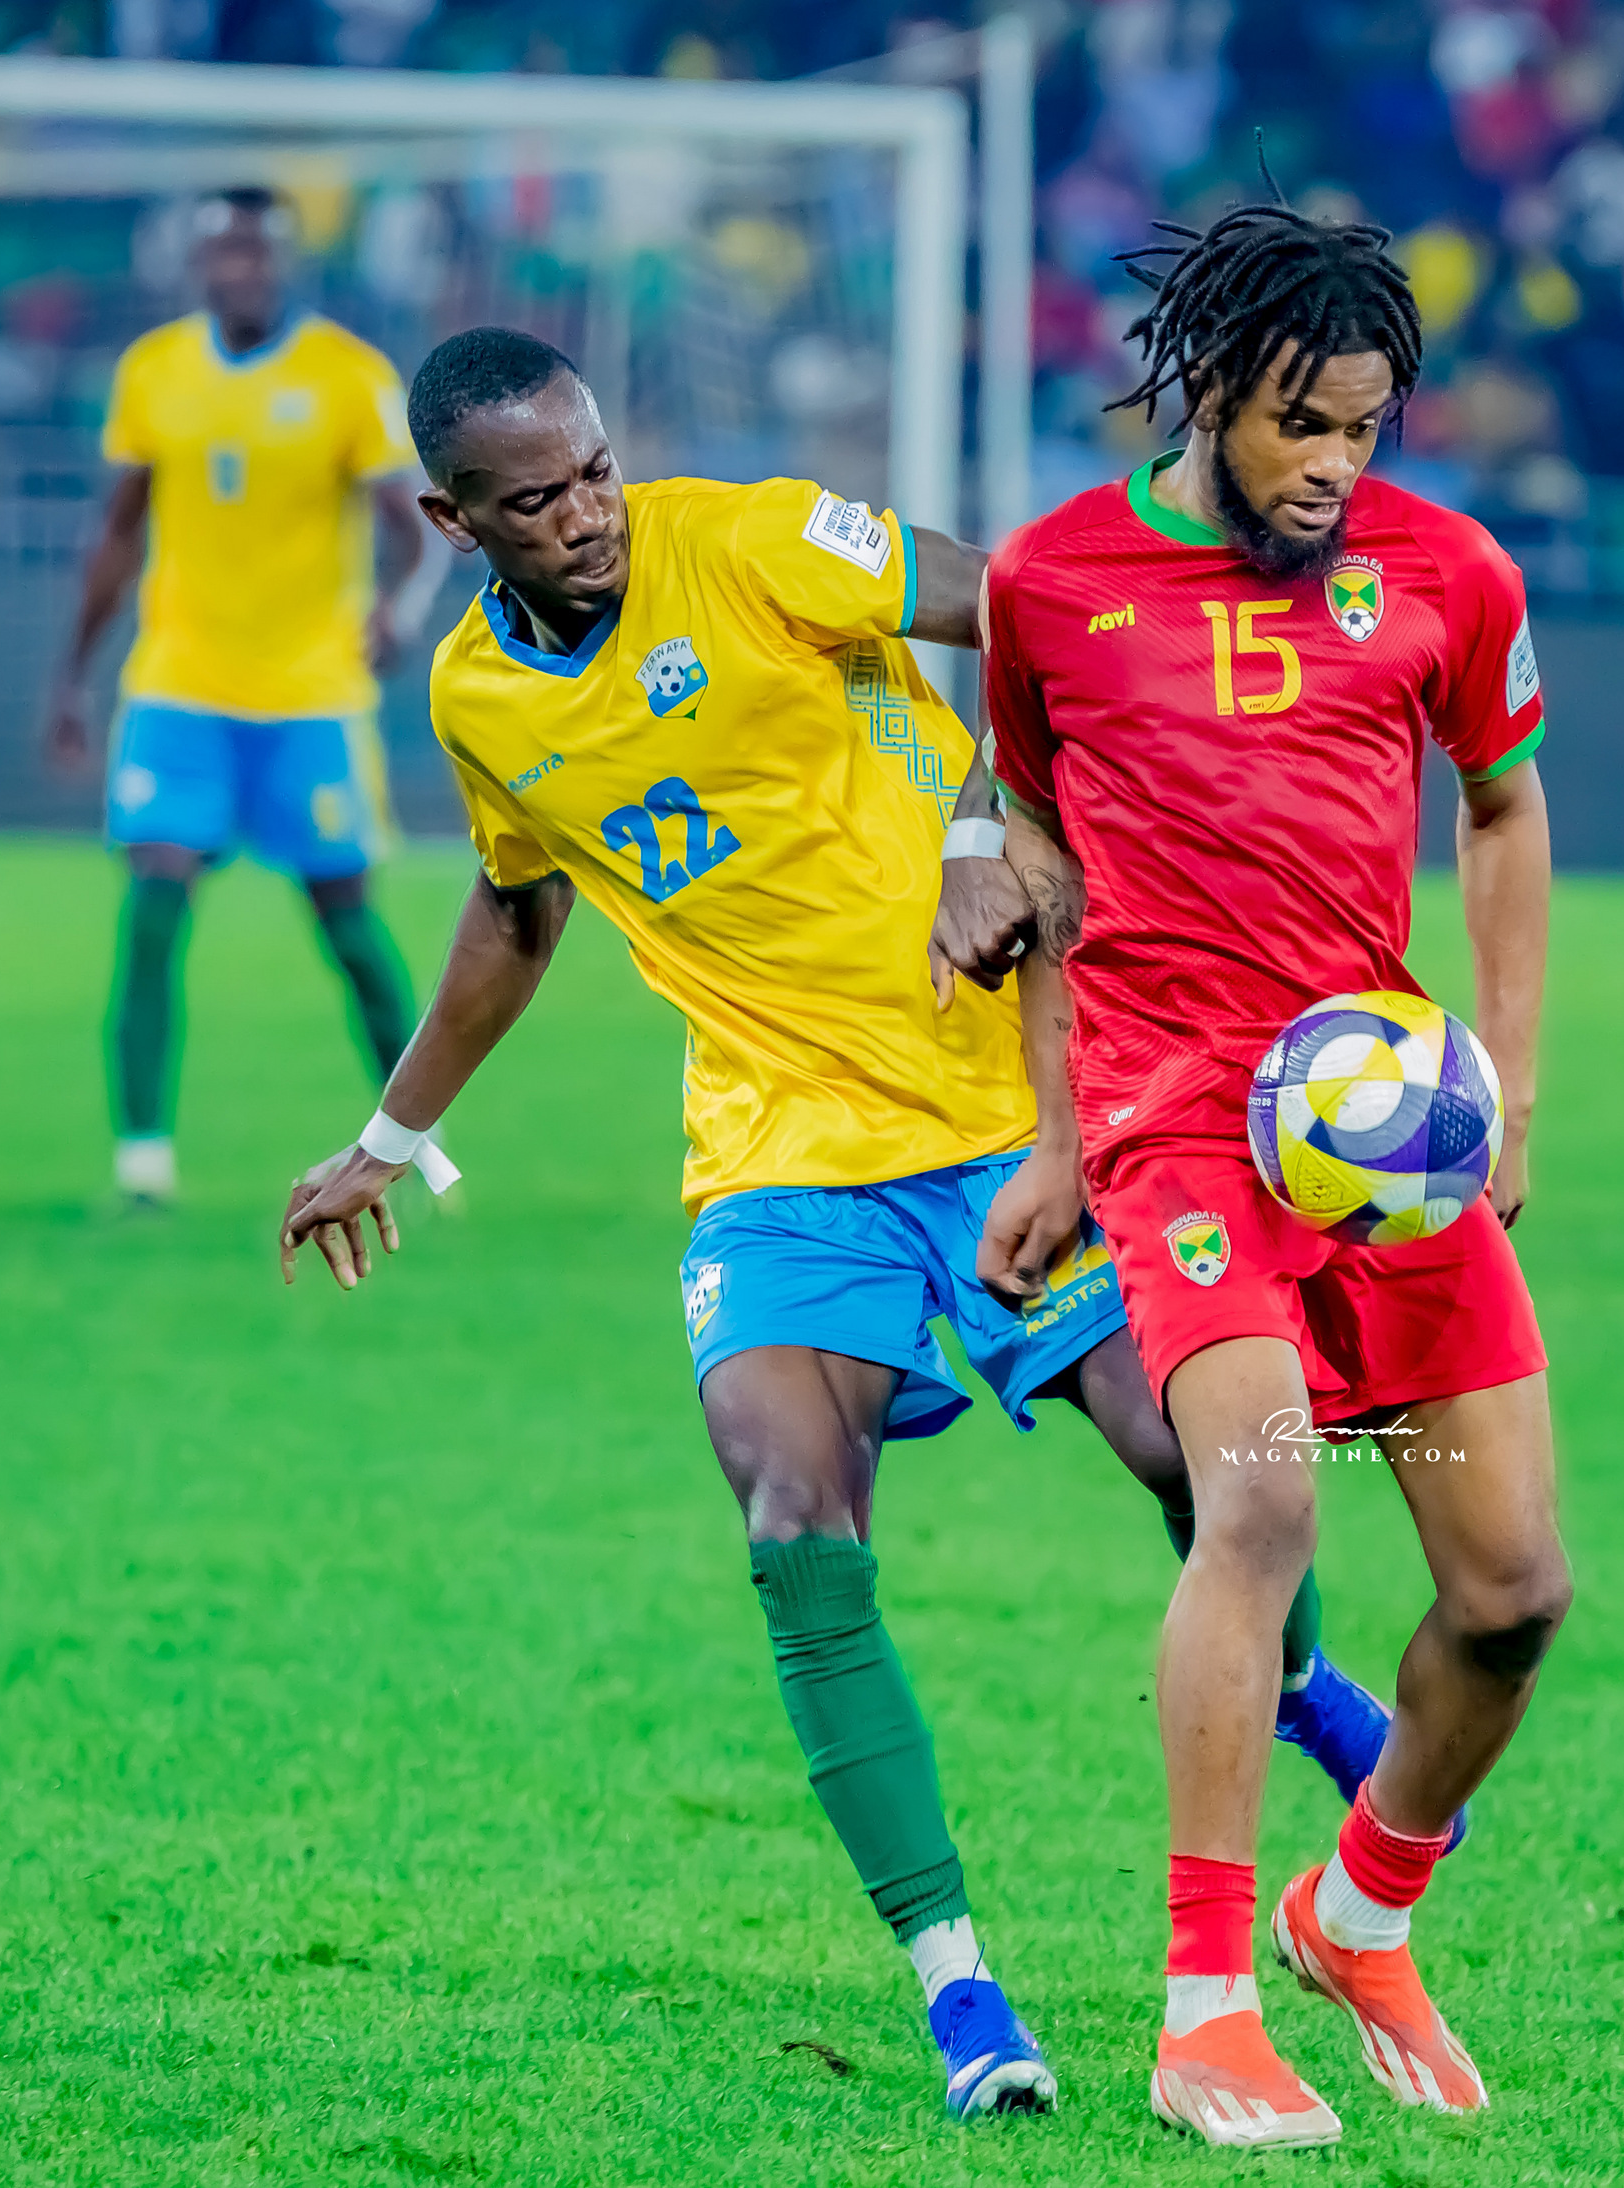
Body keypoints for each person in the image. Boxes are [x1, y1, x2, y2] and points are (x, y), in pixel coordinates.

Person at [271, 327, 1399, 2123]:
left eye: (594, 470)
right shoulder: (479, 696)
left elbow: (1039, 612)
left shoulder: (756, 537)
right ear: (451, 519)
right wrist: (391, 1137)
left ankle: (1303, 1679)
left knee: (1192, 1450)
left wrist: (977, 832)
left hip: (1012, 1100)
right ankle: (963, 1991)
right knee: (796, 1515)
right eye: (535, 500)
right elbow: (518, 911)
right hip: (779, 1149)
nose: (586, 515)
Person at [955, 199, 1572, 2150]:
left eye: (1366, 429)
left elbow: (1502, 804)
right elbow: (1041, 854)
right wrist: (1060, 1133)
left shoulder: (1446, 572)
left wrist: (1512, 1086)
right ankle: (1204, 2010)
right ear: (1209, 389)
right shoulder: (1051, 582)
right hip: (1180, 1119)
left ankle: (1358, 1910)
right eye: (1304, 423)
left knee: (1514, 1588)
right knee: (1265, 1503)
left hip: (1382, 1125)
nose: (1335, 467)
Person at [46, 188, 440, 1207]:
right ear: (199, 263)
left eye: (259, 251)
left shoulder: (349, 376)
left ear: (286, 261)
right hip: (179, 683)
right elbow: (118, 533)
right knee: (154, 900)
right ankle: (142, 1160)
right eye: (225, 250)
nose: (243, 269)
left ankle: (418, 1144)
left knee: (347, 922)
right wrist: (72, 677)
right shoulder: (154, 372)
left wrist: (399, 611)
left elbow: (418, 527)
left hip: (310, 694)